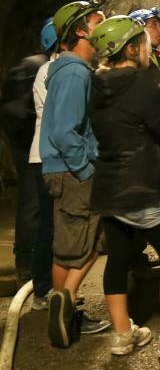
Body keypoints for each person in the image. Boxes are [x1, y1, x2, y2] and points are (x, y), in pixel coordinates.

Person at [90, 16, 160, 359]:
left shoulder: (95, 87)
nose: (147, 47)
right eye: (142, 42)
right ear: (130, 48)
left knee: (118, 260)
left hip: (109, 189)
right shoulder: (143, 86)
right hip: (142, 188)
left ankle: (123, 335)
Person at [40, 0, 110, 347]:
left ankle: (63, 309)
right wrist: (85, 168)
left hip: (62, 169)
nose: (104, 24)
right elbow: (66, 130)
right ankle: (65, 299)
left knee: (67, 247)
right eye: (98, 20)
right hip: (72, 170)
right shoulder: (75, 72)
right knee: (92, 241)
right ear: (81, 30)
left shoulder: (70, 70)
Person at [0, 35, 48, 285]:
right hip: (31, 145)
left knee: (35, 204)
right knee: (32, 203)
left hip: (30, 144)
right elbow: (19, 112)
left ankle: (31, 260)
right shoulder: (37, 66)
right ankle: (26, 263)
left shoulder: (35, 64)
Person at [27, 18, 58, 310]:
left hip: (46, 154)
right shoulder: (50, 71)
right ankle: (43, 289)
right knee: (49, 226)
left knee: (52, 225)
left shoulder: (50, 70)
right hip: (48, 156)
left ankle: (48, 287)